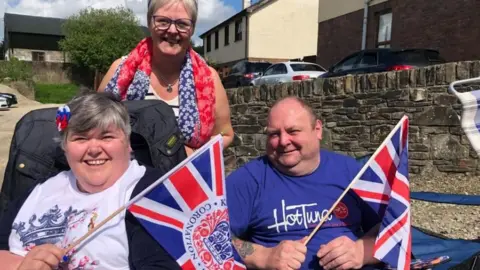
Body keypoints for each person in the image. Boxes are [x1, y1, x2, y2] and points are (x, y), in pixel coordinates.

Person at [0, 93, 181, 270]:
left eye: (107, 137)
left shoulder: (150, 193)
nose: (94, 149)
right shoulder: (40, 189)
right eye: (80, 138)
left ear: (128, 143)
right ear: (65, 147)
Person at [226, 96, 382, 270]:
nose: (283, 141)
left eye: (293, 131)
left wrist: (362, 251)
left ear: (317, 130)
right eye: (274, 134)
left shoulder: (352, 172)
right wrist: (262, 256)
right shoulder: (247, 180)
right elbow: (209, 237)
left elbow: (394, 231)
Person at [97, 0, 234, 156]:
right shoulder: (119, 71)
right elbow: (95, 125)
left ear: (192, 29)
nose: (172, 30)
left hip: (183, 176)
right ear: (149, 22)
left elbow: (225, 134)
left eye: (182, 24)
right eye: (163, 21)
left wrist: (190, 156)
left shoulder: (210, 79)